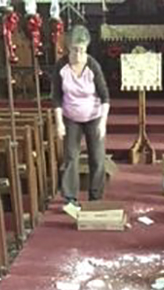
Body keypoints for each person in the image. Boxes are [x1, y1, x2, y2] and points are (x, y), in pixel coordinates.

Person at [52, 26, 110, 208]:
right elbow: (56, 97)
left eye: (82, 50)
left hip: (93, 116)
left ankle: (95, 197)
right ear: (69, 48)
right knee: (70, 157)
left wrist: (103, 123)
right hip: (71, 116)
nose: (79, 54)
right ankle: (70, 198)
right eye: (75, 50)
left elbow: (105, 96)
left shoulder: (92, 65)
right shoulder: (61, 66)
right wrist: (59, 123)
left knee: (97, 158)